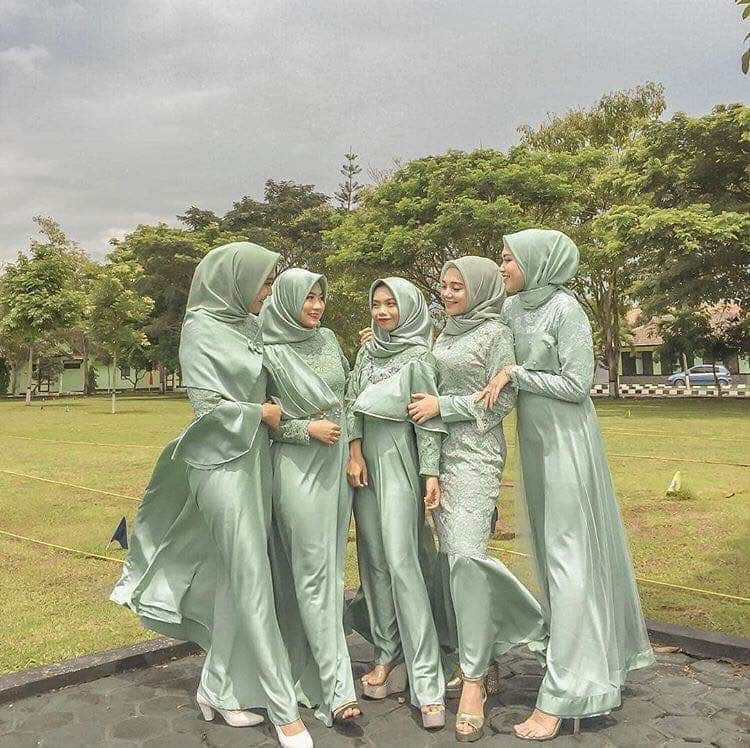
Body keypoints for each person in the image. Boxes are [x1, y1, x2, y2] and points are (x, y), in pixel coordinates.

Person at [111, 242, 313, 748]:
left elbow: (287, 351)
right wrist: (259, 413)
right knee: (251, 578)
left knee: (234, 578)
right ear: (235, 280)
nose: (268, 292)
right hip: (219, 464)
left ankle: (218, 688)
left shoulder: (251, 325)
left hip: (256, 460)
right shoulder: (200, 328)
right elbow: (206, 405)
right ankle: (282, 708)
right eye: (263, 282)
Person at [479, 229, 654, 741]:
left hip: (567, 446)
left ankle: (567, 692)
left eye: (509, 258)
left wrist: (517, 373)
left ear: (537, 262)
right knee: (554, 560)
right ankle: (584, 660)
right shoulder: (512, 308)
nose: (502, 266)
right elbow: (481, 341)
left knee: (567, 559)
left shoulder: (566, 309)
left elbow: (578, 385)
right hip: (535, 447)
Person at [407, 256, 548, 743]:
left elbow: (502, 400)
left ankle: (475, 680)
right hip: (439, 453)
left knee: (467, 558)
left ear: (481, 289)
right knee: (451, 562)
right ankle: (478, 660)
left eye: (458, 287)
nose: (448, 294)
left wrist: (442, 406)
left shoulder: (495, 334)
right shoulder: (443, 333)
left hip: (476, 454)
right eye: (444, 286)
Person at [345, 278, 447, 730]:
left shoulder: (419, 356)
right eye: (376, 304)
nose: (382, 311)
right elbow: (351, 403)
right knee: (374, 562)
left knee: (404, 563)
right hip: (365, 464)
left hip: (400, 457)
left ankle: (427, 678)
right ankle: (387, 655)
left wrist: (431, 473)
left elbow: (426, 421)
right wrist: (353, 453)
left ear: (408, 308)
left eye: (391, 304)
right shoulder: (367, 353)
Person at [261, 268, 360, 727]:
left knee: (329, 572)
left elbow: (348, 396)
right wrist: (306, 430)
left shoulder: (329, 339)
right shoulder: (266, 348)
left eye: (321, 297)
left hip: (336, 469)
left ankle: (308, 672)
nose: (317, 306)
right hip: (297, 469)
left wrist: (353, 452)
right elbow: (262, 418)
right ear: (286, 300)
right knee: (312, 574)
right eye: (308, 298)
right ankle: (337, 689)